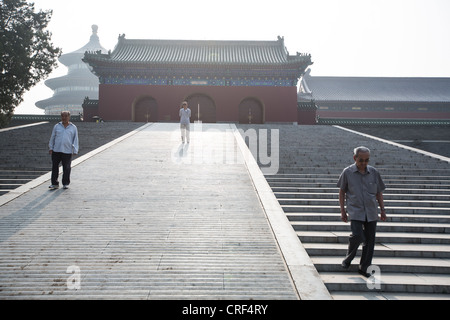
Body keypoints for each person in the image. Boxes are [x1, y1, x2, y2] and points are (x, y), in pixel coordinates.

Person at [337, 146, 387, 277]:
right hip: (355, 210)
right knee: (358, 235)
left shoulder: (374, 172)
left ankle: (364, 267)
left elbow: (379, 193)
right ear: (355, 158)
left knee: (370, 241)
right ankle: (348, 259)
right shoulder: (347, 172)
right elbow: (342, 192)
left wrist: (382, 210)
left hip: (371, 211)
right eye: (361, 160)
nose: (364, 163)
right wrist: (342, 211)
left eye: (367, 160)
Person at [48, 111, 79, 189]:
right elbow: (52, 137)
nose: (64, 118)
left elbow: (75, 139)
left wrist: (75, 149)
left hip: (67, 150)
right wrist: (51, 148)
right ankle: (54, 183)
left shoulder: (73, 127)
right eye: (62, 116)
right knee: (55, 167)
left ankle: (65, 183)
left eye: (66, 116)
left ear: (69, 117)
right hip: (56, 150)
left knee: (67, 167)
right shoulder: (57, 126)